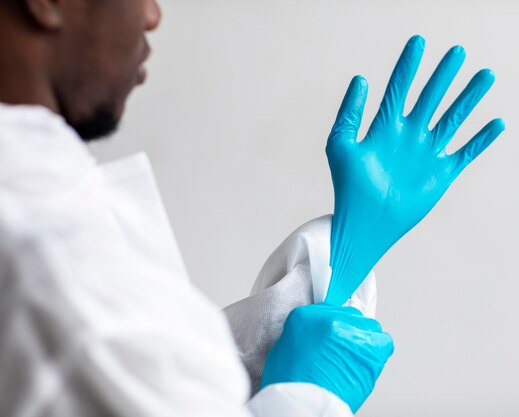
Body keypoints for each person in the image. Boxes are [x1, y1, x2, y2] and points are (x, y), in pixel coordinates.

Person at [0, 1, 392, 416]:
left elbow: (169, 374)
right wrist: (311, 397)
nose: (152, 15)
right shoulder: (55, 278)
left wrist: (341, 256)